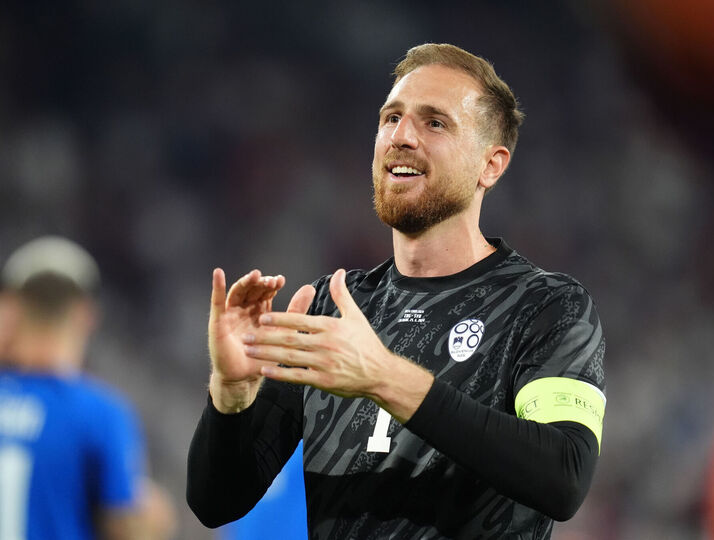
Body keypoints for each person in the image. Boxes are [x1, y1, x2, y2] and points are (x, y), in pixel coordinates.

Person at [187, 43, 606, 539]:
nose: (401, 136)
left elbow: (564, 477)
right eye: (391, 118)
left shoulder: (547, 307)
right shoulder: (331, 308)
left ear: (490, 166)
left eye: (434, 123)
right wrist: (232, 394)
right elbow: (216, 502)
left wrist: (383, 377)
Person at [0, 236, 175, 540]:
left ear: (12, 309)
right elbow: (126, 527)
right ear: (87, 315)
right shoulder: (100, 414)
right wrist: (154, 518)